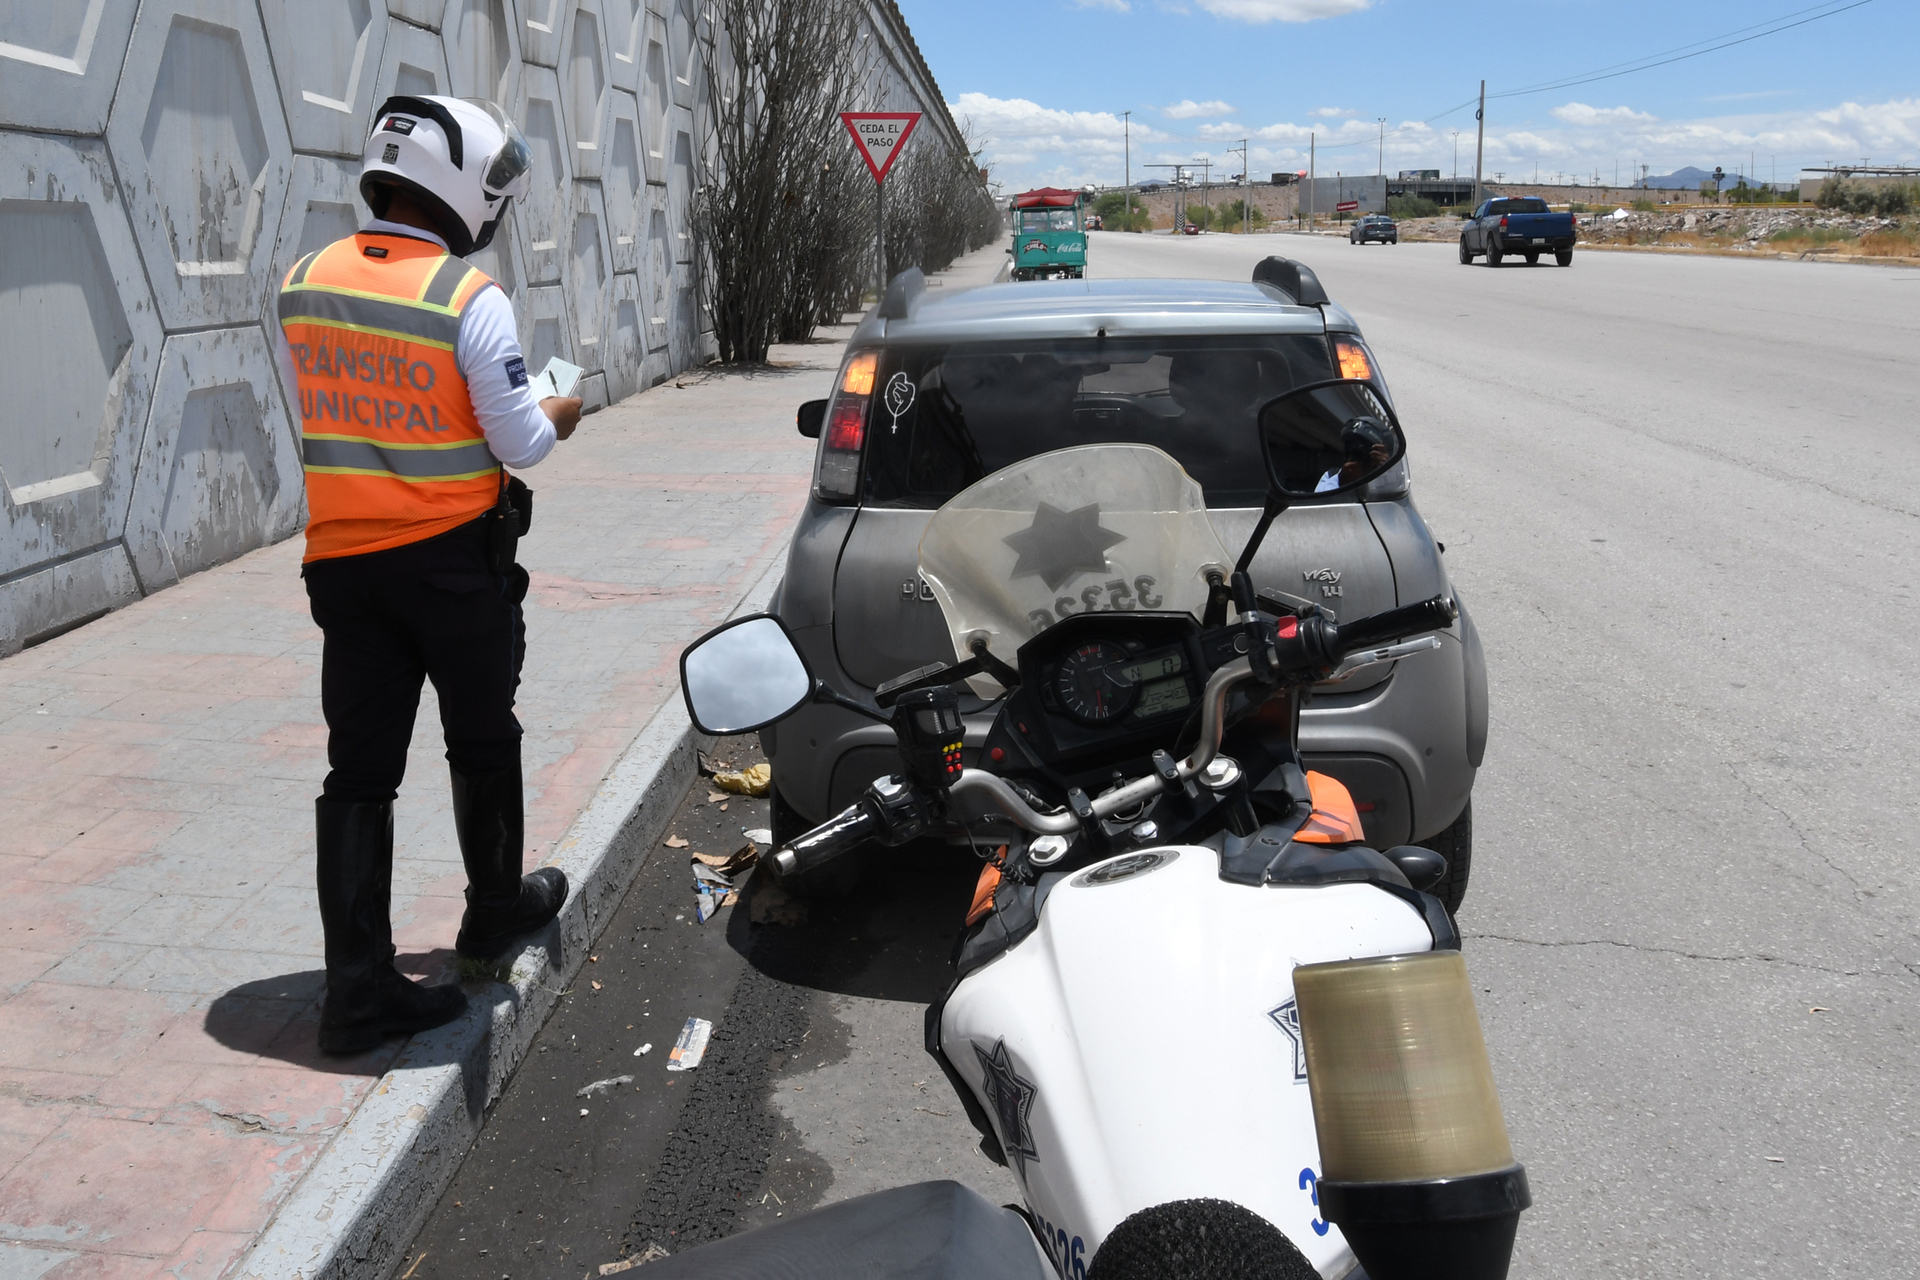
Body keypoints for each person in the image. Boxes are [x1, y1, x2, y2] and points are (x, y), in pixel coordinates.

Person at [275, 95, 585, 1054]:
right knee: (483, 737)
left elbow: (332, 410)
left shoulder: (302, 282)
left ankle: (357, 989)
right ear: (456, 187)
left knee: (358, 772)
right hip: (452, 568)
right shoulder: (466, 297)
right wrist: (563, 404)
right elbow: (523, 441)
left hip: (346, 570)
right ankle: (493, 910)